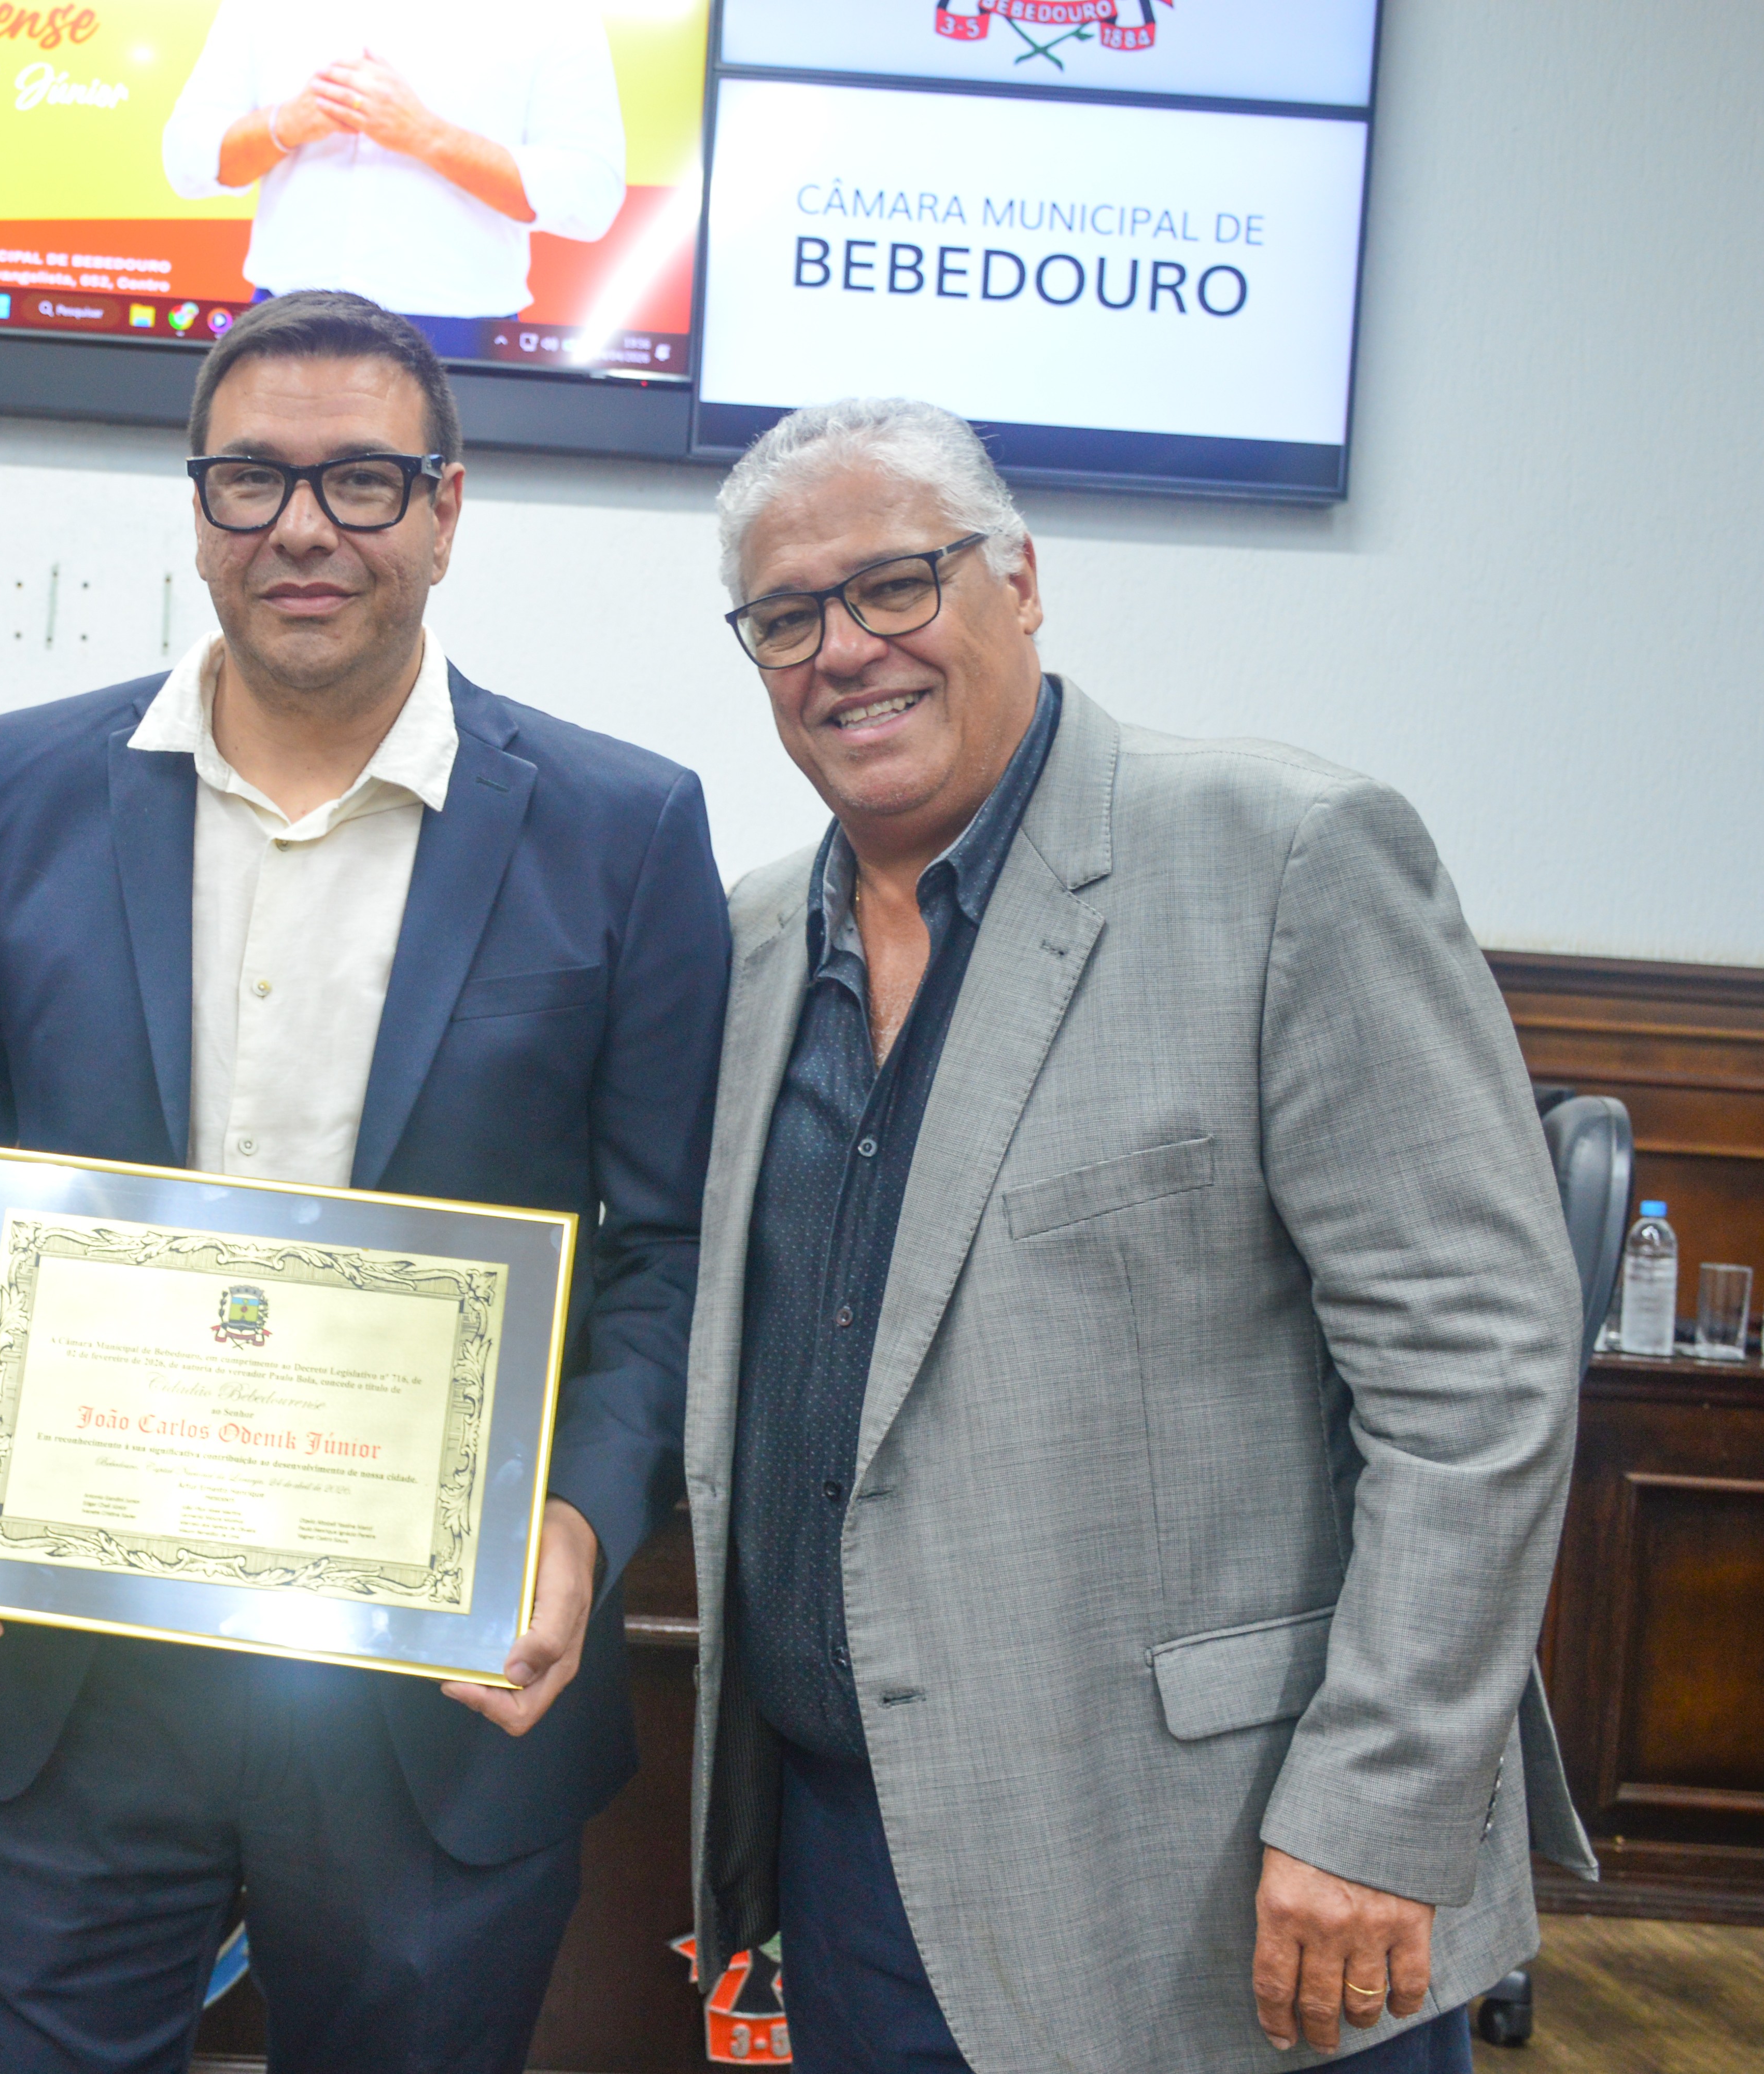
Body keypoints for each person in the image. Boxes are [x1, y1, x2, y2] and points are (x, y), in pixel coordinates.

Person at [0, 290, 728, 2073]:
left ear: (446, 508)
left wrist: (577, 1518)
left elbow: (665, 1251)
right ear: (197, 509)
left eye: (361, 480)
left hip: (433, 1699)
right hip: (71, 1671)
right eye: (250, 479)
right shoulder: (22, 787)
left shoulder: (621, 829)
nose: (302, 526)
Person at [681, 398, 1595, 2072]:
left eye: (894, 584)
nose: (844, 649)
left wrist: (1376, 1808)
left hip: (1230, 1875)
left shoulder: (1283, 857)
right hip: (856, 1864)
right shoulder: (746, 946)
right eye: (786, 616)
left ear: (1020, 581)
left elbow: (1476, 1382)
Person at [159, 1, 627, 361]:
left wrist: (428, 136)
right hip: (284, 320)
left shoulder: (553, 13)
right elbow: (186, 159)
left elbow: (592, 195)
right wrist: (286, 124)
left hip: (459, 334)